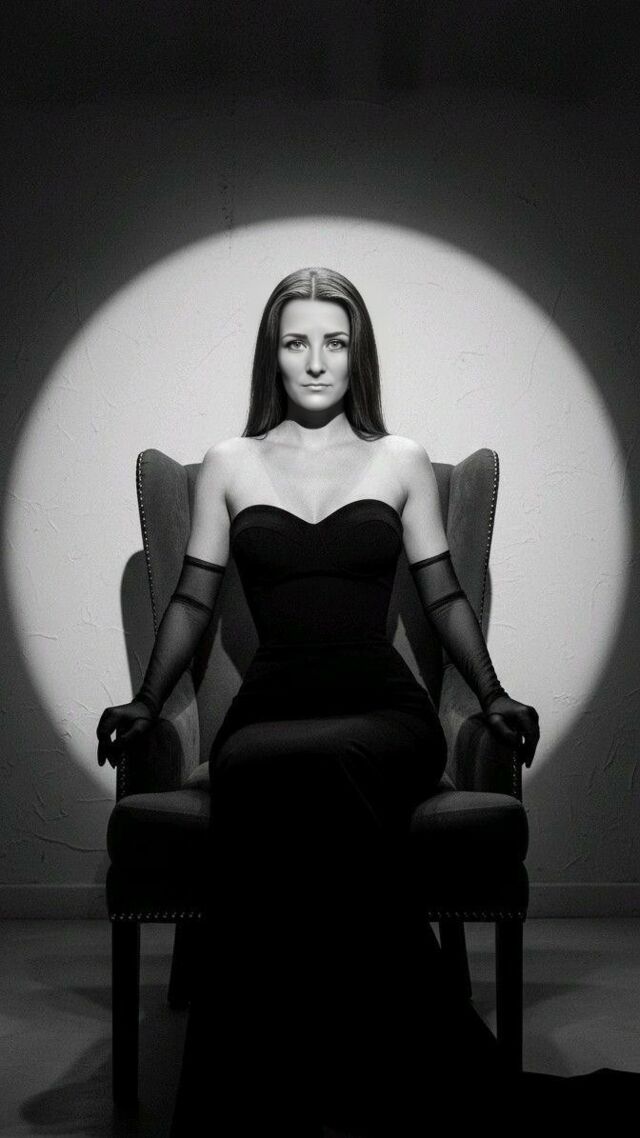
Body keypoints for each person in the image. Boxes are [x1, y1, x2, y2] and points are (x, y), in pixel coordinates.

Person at [97, 267, 637, 1136]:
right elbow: (193, 601)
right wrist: (146, 701)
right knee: (261, 765)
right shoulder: (229, 464)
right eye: (296, 342)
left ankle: (390, 1064)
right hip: (270, 707)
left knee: (329, 759)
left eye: (335, 342)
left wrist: (493, 693)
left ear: (359, 355)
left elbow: (444, 595)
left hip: (383, 710)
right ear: (272, 355)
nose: (316, 361)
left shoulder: (402, 461)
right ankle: (259, 1090)